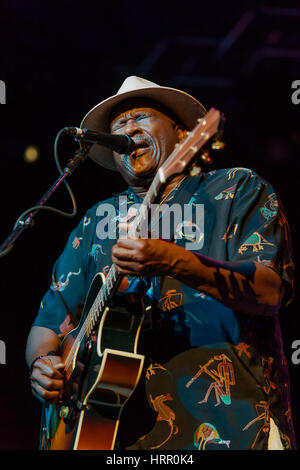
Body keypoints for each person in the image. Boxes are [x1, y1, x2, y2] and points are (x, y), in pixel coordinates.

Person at [25, 76, 296, 450]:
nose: (128, 129)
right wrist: (43, 364)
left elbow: (268, 293)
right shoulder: (95, 220)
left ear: (184, 135)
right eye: (118, 125)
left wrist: (177, 262)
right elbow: (48, 322)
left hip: (234, 429)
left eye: (140, 117)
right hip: (120, 439)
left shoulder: (236, 189)